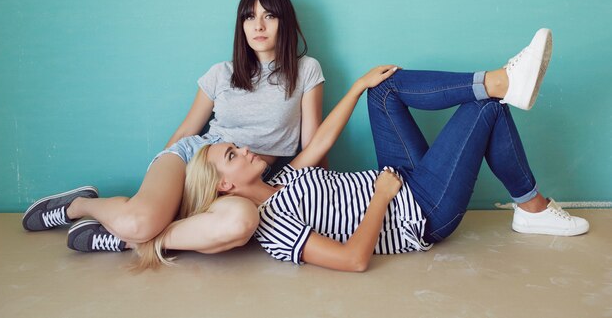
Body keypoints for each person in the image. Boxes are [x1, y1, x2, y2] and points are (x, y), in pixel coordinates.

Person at [162, 28, 588, 272]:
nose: (244, 148)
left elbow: (322, 139)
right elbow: (352, 261)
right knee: (484, 111)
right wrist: (381, 198)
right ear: (223, 186)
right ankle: (532, 208)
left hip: (402, 179)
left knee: (382, 89)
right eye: (232, 155)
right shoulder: (274, 232)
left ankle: (499, 81)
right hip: (421, 212)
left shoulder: (282, 178)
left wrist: (356, 86)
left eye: (234, 146)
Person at [22, 0, 326, 256]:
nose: (258, 25)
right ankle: (79, 206)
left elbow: (313, 145)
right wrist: (154, 189)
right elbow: (187, 130)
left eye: (269, 16)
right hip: (195, 157)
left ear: (284, 22)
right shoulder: (221, 73)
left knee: (241, 225)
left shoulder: (306, 70)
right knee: (141, 221)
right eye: (249, 17)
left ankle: (130, 241)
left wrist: (322, 194)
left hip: (238, 179)